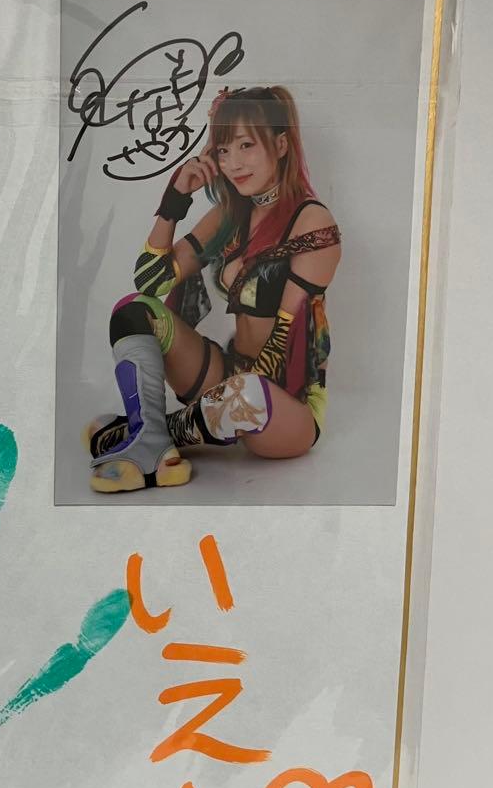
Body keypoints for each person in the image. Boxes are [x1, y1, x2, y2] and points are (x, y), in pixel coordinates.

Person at [86, 85, 342, 493]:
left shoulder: (311, 222)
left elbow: (282, 345)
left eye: (245, 145)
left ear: (280, 145)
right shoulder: (229, 215)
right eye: (223, 150)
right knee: (133, 310)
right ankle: (152, 443)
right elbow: (152, 281)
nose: (233, 163)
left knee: (248, 393)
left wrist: (222, 399)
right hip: (227, 376)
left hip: (283, 403)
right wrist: (175, 198)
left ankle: (148, 432)